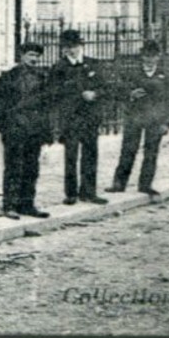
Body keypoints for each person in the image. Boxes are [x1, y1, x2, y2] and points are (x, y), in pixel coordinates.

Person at [0, 40, 52, 220]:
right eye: (31, 55)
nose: (34, 59)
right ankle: (10, 205)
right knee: (14, 168)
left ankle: (27, 204)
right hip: (15, 129)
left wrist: (45, 129)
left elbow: (46, 105)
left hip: (34, 129)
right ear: (22, 56)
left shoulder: (42, 77)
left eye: (37, 56)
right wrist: (7, 127)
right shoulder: (8, 77)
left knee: (32, 168)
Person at [107, 39, 169, 197]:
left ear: (158, 57)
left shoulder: (165, 76)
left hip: (155, 119)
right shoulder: (132, 73)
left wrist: (167, 123)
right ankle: (119, 183)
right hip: (135, 117)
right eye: (146, 56)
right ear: (142, 56)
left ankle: (145, 184)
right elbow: (118, 92)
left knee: (151, 152)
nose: (150, 59)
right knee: (128, 150)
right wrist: (130, 94)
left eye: (153, 56)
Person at [52, 28, 109, 205]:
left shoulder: (93, 64)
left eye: (74, 46)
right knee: (71, 155)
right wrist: (77, 95)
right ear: (63, 48)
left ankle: (89, 191)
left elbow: (106, 87)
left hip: (90, 117)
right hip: (70, 119)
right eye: (67, 46)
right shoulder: (58, 68)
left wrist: (95, 94)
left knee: (91, 154)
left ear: (81, 46)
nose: (71, 50)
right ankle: (71, 193)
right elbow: (54, 93)